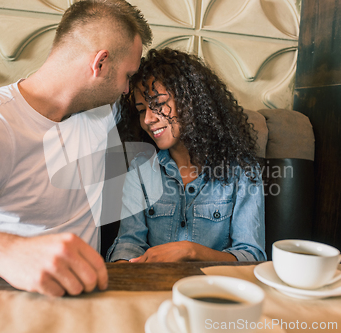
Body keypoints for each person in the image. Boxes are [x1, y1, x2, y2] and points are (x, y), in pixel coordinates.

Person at [0, 0, 152, 297]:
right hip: (12, 302)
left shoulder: (100, 108)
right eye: (127, 76)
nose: (126, 90)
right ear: (100, 64)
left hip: (89, 298)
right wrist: (8, 252)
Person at [107, 48, 266, 263]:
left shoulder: (242, 170)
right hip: (154, 287)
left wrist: (192, 252)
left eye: (159, 104)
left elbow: (251, 256)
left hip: (214, 290)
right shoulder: (141, 168)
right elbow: (129, 242)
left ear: (192, 101)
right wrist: (124, 266)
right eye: (142, 109)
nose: (148, 119)